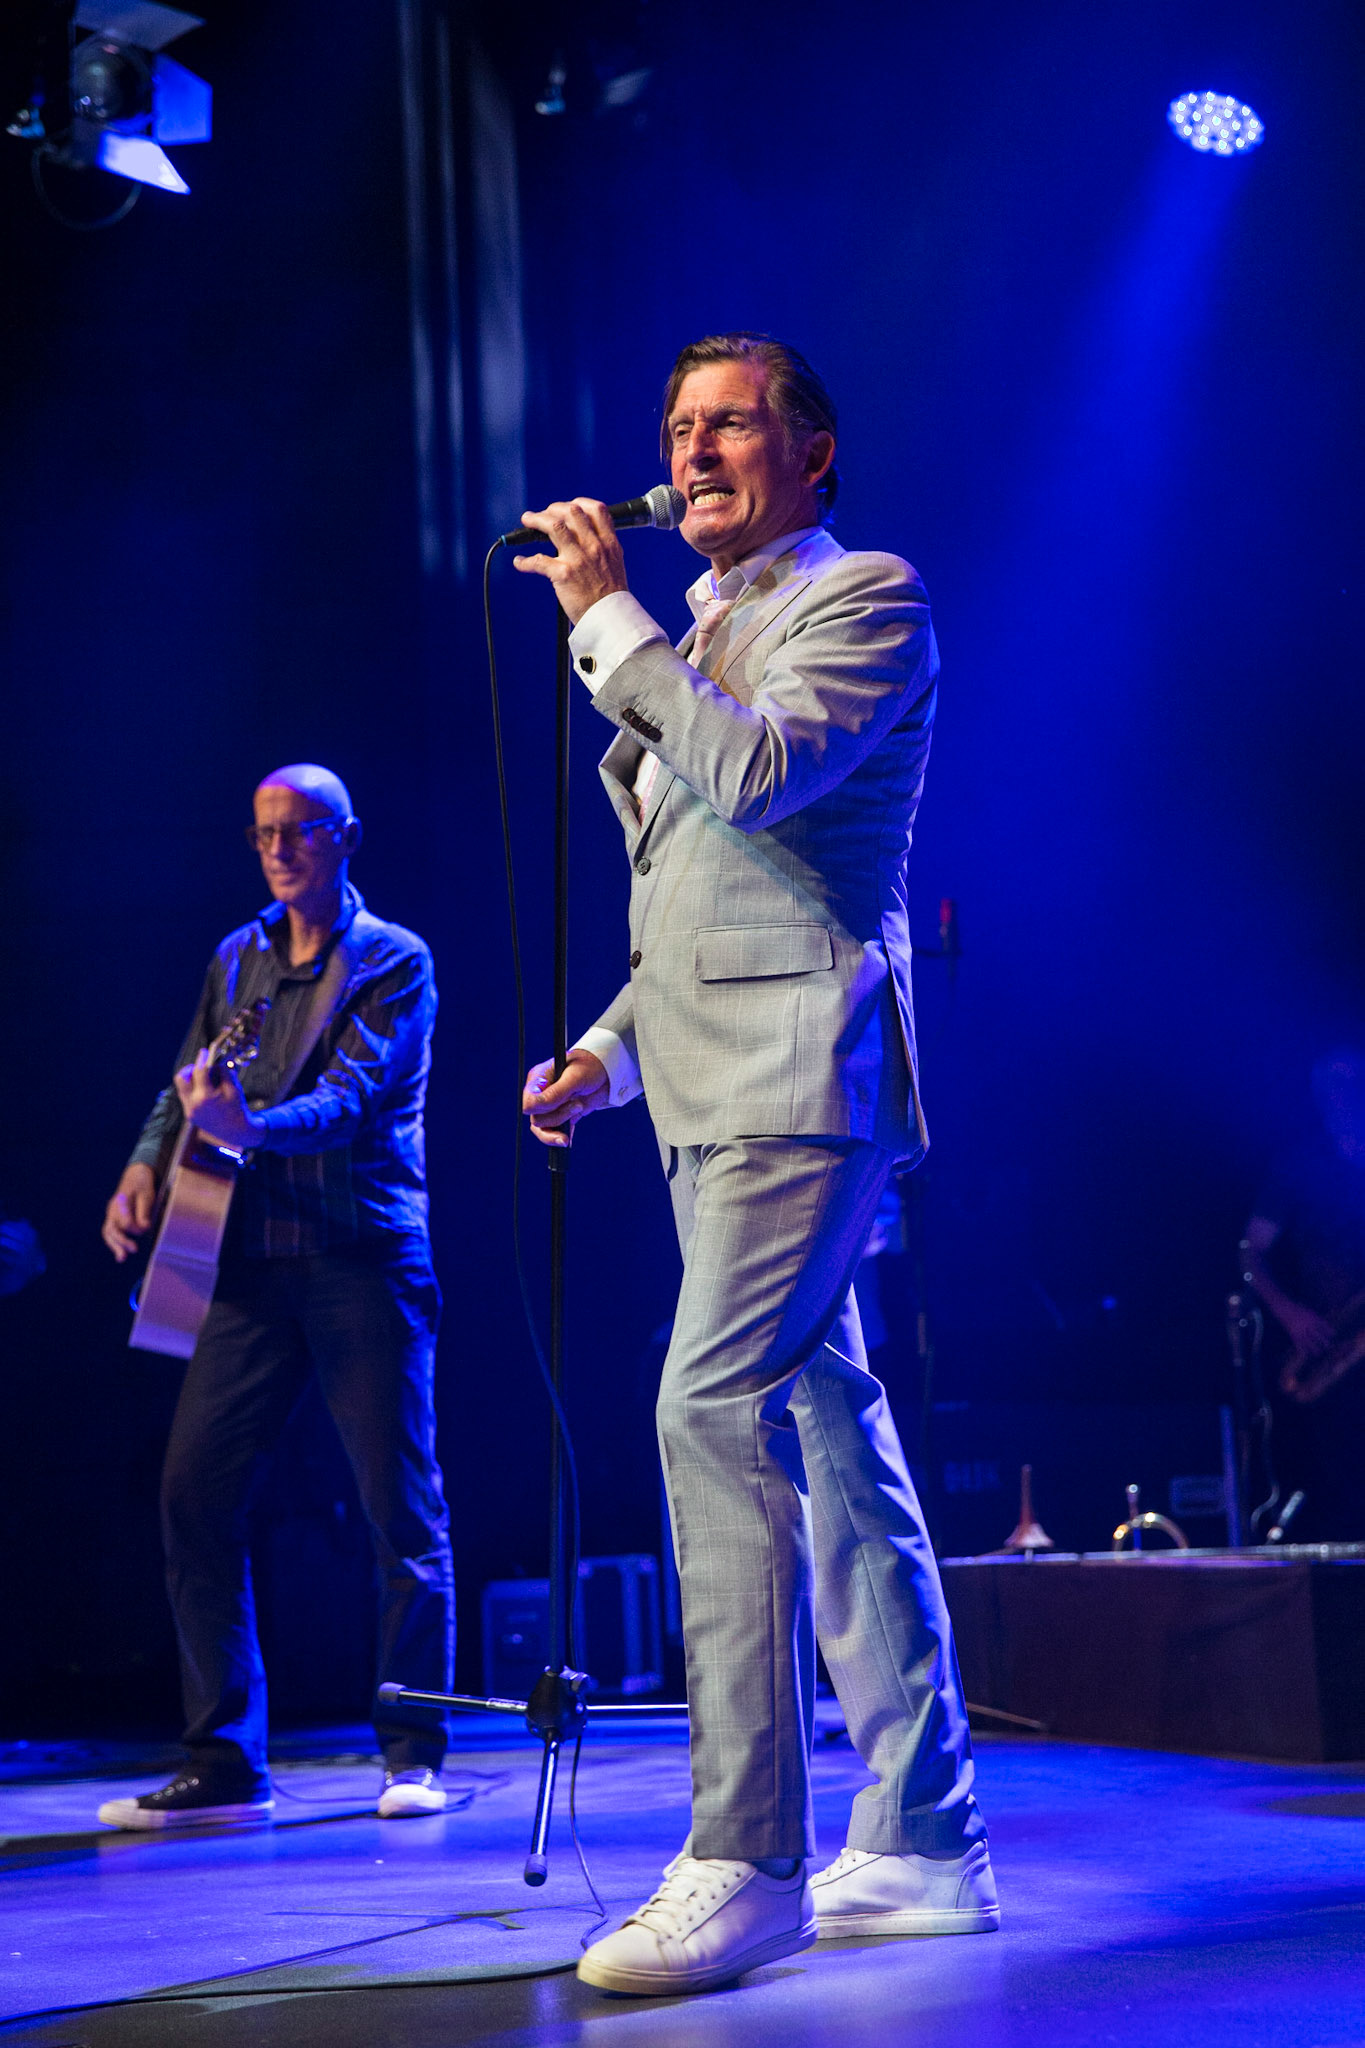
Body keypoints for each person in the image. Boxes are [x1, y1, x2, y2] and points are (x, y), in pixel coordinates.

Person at [518, 334, 995, 1995]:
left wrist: (611, 621)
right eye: (676, 427)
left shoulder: (866, 595)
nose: (693, 449)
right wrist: (605, 1050)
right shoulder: (700, 630)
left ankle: (745, 1853)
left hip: (805, 1075)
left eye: (729, 422)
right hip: (702, 1085)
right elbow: (695, 897)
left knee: (706, 1407)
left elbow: (762, 774)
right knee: (827, 1433)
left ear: (814, 452)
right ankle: (924, 1833)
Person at [97, 764, 454, 1827]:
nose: (278, 850)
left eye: (299, 830)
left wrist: (250, 1127)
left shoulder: (391, 959)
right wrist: (146, 1164)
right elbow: (186, 1080)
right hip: (246, 1262)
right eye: (263, 833)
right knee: (193, 1493)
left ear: (345, 836)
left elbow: (351, 1101)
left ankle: (413, 1752)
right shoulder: (236, 954)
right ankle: (223, 1762)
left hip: (360, 1257)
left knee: (399, 1508)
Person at [1244, 1046, 1365, 1541]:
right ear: (1319, 1095)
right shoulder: (1298, 1164)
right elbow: (1250, 1252)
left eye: (1353, 1082)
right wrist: (1290, 1313)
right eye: (1333, 1085)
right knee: (1341, 1476)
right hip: (1329, 1338)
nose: (1345, 1094)